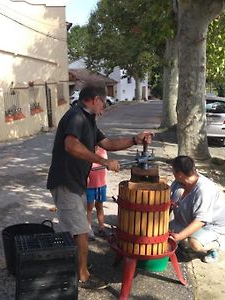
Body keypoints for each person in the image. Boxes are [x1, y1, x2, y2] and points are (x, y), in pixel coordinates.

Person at [47, 84, 153, 289]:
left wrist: (134, 139)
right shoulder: (75, 117)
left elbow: (108, 144)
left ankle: (77, 267)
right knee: (81, 231)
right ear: (94, 99)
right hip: (65, 181)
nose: (104, 107)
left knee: (76, 230)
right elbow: (70, 145)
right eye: (103, 102)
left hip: (75, 183)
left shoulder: (88, 120)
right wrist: (103, 162)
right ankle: (83, 276)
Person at [169, 155, 225, 263]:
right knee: (161, 232)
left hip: (213, 226)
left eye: (173, 171)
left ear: (179, 174)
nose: (173, 173)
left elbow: (200, 221)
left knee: (193, 243)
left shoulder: (204, 190)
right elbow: (169, 204)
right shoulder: (177, 183)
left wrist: (179, 236)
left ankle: (214, 246)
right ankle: (185, 240)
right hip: (187, 220)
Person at [86, 145, 108, 240]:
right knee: (89, 208)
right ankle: (88, 230)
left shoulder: (103, 151)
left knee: (100, 207)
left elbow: (106, 164)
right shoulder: (86, 152)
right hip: (89, 186)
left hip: (101, 185)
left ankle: (101, 228)